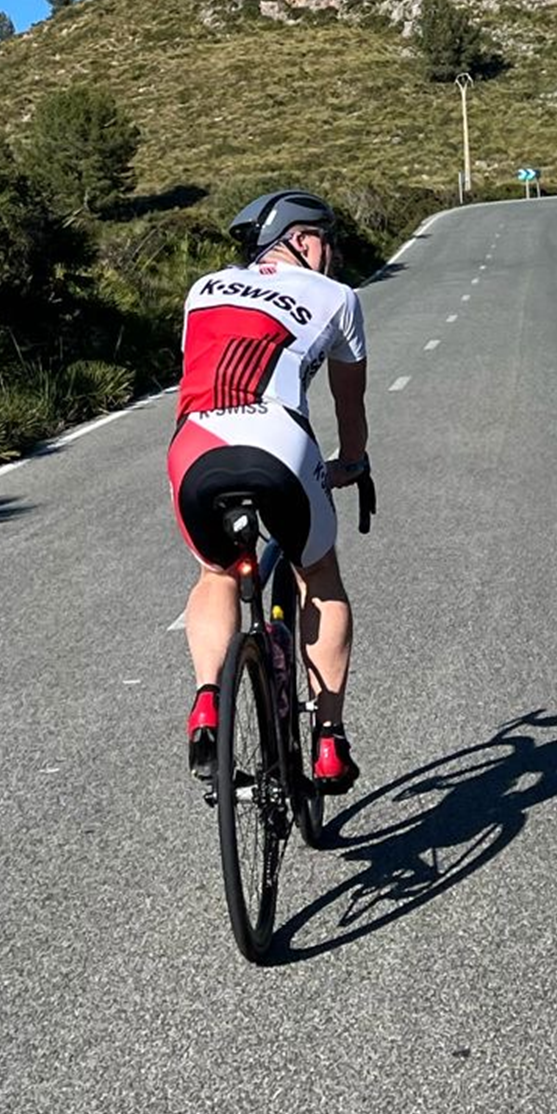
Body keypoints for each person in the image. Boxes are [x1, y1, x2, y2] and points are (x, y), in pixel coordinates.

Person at [168, 189, 371, 793]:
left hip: (195, 446)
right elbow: (348, 402)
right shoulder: (339, 298)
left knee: (218, 572)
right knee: (320, 575)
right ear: (302, 240)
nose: (331, 254)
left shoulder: (203, 287)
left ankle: (208, 701)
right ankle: (329, 739)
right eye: (326, 240)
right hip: (278, 444)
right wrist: (352, 463)